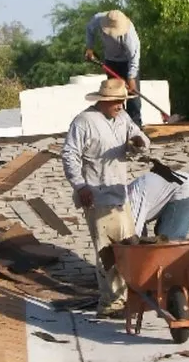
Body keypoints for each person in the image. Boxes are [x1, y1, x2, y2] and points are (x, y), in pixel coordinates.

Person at [62, 78, 150, 318]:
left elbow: (140, 140)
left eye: (123, 101)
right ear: (104, 101)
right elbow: (70, 155)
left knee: (128, 250)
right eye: (116, 101)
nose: (120, 105)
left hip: (120, 195)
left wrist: (139, 144)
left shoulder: (122, 118)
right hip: (97, 197)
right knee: (108, 254)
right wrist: (80, 186)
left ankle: (126, 297)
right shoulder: (84, 122)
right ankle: (111, 304)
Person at [84, 9, 142, 126]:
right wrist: (89, 48)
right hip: (111, 62)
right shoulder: (98, 19)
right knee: (114, 96)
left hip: (128, 64)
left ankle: (136, 127)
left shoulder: (129, 34)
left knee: (132, 98)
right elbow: (89, 29)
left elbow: (134, 58)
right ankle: (119, 126)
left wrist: (131, 77)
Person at [128, 166, 189, 241]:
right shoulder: (124, 199)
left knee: (168, 239)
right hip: (167, 187)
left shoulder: (132, 207)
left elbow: (134, 241)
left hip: (185, 189)